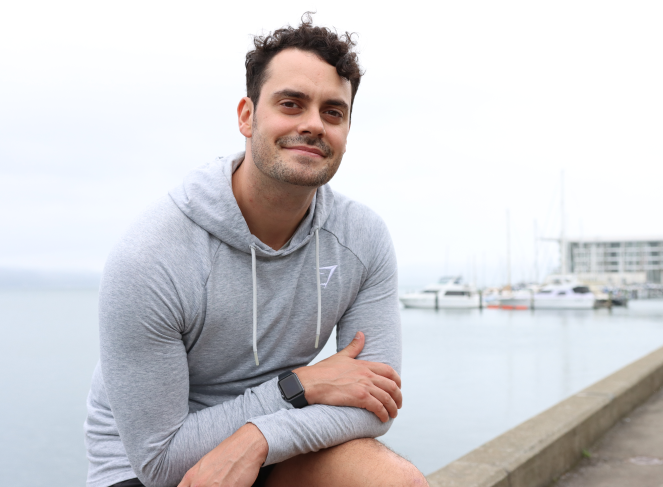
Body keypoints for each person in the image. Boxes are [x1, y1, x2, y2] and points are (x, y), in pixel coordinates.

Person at [84, 13, 428, 487]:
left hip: (275, 446)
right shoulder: (152, 256)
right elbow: (160, 462)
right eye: (291, 104)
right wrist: (300, 385)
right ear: (247, 116)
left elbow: (376, 405)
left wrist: (257, 438)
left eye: (333, 112)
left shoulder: (361, 238)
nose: (313, 124)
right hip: (151, 474)